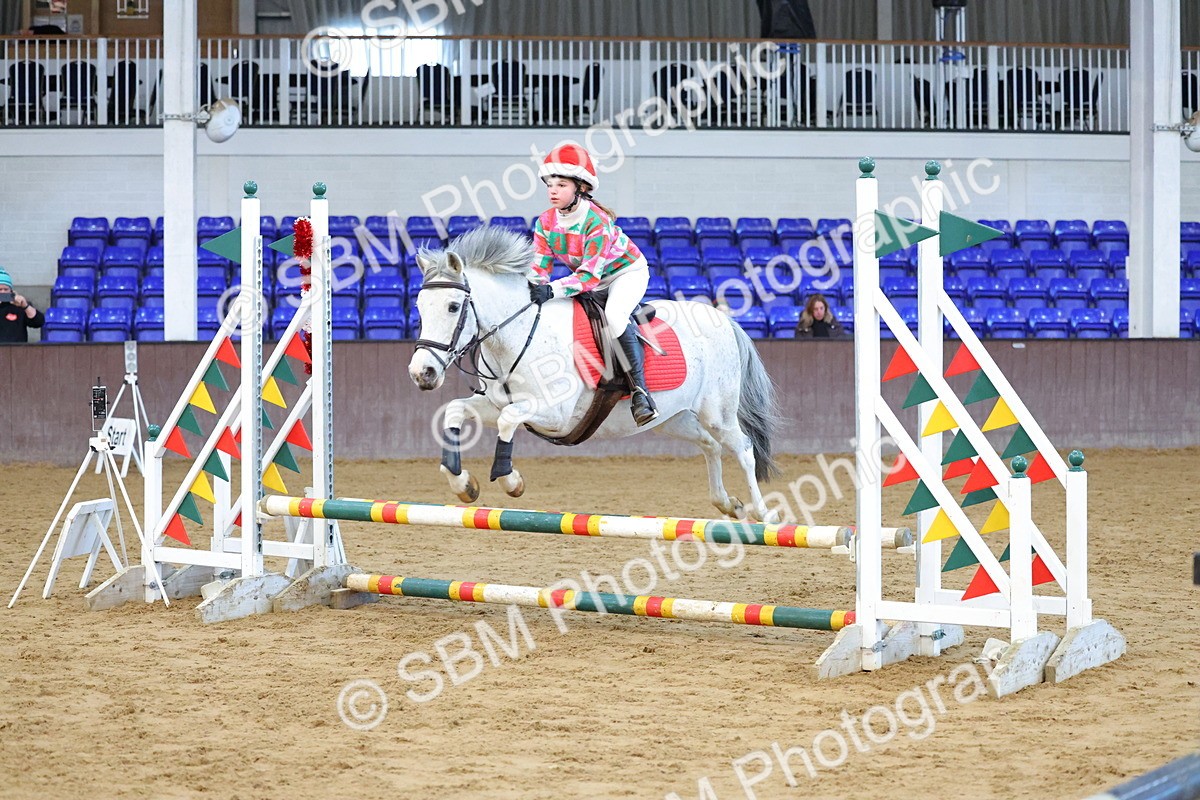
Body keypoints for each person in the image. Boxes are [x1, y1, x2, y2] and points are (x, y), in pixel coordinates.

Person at [527, 143, 657, 425]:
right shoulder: (545, 222)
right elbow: (539, 268)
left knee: (613, 315)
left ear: (581, 188)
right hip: (590, 279)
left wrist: (551, 290)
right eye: (550, 184)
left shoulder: (597, 221)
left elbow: (588, 278)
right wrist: (534, 288)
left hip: (624, 273)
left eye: (561, 184)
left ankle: (641, 393)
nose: (552, 190)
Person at [0, 268, 44, 343]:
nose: (3, 292)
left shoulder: (19, 306)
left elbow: (38, 322)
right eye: (0, 290)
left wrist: (25, 306)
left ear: (11, 290)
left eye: (6, 289)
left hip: (17, 351)